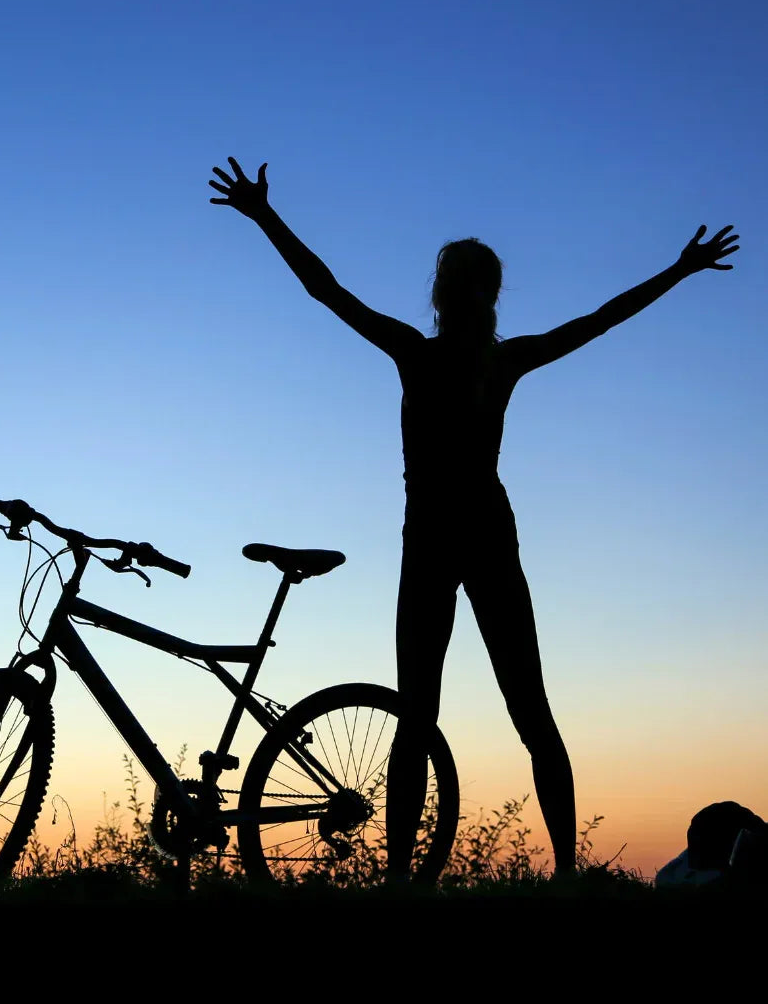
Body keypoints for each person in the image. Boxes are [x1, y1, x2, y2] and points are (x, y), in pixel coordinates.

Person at [208, 156, 739, 878]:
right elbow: (599, 320)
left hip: (445, 539)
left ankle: (422, 877)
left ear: (444, 295)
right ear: (488, 296)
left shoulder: (427, 354)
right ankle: (554, 873)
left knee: (428, 718)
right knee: (515, 714)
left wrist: (265, 216)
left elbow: (325, 291)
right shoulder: (496, 360)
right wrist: (677, 271)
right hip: (474, 536)